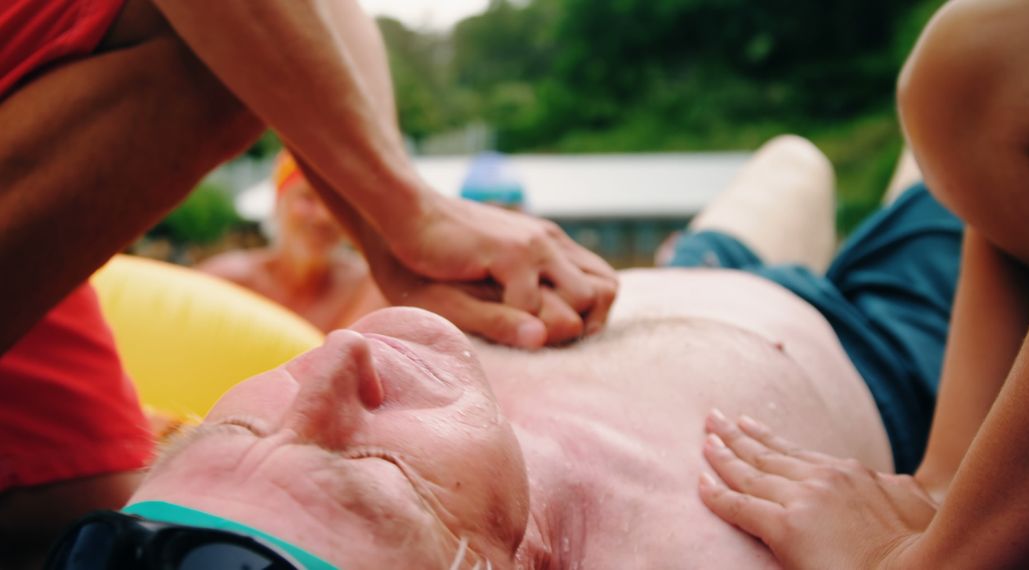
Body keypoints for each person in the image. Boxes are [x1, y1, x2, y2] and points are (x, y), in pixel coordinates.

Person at [44, 136, 963, 569]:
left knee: (795, 159)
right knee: (965, 126)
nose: (329, 367)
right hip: (875, 353)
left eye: (230, 427)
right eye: (366, 470)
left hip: (658, 283)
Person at [0, 0, 615, 562]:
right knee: (230, 52)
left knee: (97, 511)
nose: (341, 354)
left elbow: (336, 13)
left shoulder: (370, 291)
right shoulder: (231, 276)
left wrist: (390, 230)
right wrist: (406, 212)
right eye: (306, 197)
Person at [696, 0, 1029, 567]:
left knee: (806, 156)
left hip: (869, 345)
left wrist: (937, 558)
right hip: (773, 310)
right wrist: (948, 479)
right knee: (958, 89)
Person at [199, 150, 388, 333]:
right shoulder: (226, 280)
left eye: (338, 204)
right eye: (308, 197)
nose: (325, 216)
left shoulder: (369, 287)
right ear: (278, 202)